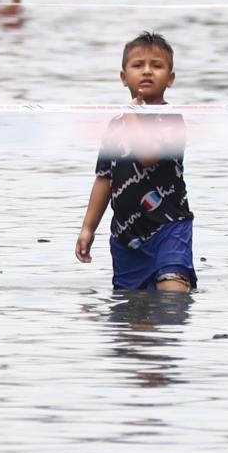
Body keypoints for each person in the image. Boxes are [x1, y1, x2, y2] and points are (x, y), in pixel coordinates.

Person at [75, 31, 195, 294]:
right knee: (132, 311)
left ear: (171, 78)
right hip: (127, 236)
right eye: (138, 65)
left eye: (157, 65)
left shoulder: (172, 120)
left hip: (169, 227)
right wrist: (88, 228)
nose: (147, 72)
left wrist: (133, 117)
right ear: (123, 76)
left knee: (172, 293)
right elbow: (104, 179)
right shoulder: (116, 125)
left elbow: (148, 154)